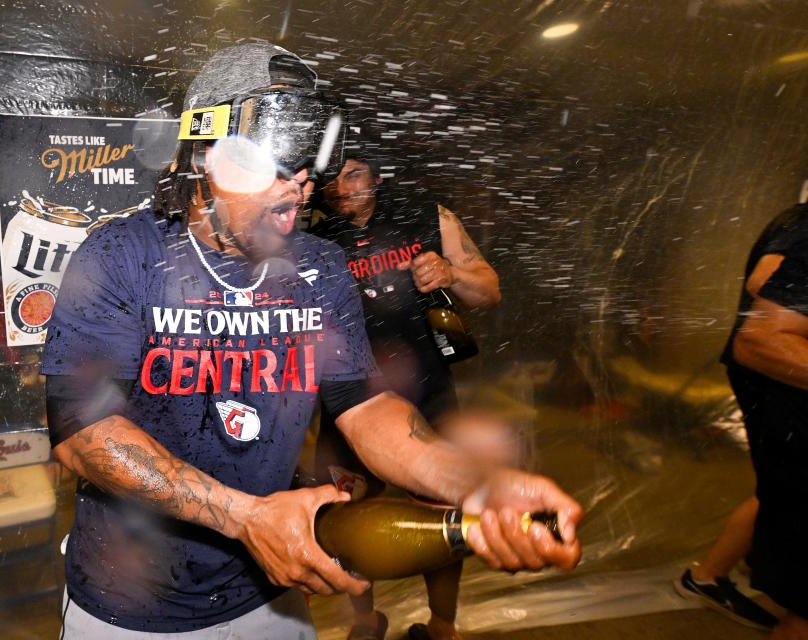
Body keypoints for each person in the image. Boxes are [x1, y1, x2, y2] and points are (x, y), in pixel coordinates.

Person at [42, 41, 583, 639]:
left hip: (271, 597)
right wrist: (246, 519)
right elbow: (80, 435)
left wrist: (476, 484)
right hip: (131, 605)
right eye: (273, 162)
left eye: (307, 167)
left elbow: (365, 406)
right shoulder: (122, 257)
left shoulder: (320, 268)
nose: (298, 188)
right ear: (204, 153)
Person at [309, 135, 501, 640]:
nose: (341, 188)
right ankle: (364, 621)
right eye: (332, 178)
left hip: (427, 388)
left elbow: (489, 290)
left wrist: (451, 271)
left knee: (441, 512)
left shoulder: (427, 216)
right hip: (348, 394)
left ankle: (442, 626)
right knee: (343, 510)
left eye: (353, 174)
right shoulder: (316, 234)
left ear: (377, 175)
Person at [676, 202, 808, 639]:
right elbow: (760, 335)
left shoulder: (796, 219)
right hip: (782, 389)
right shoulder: (803, 227)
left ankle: (708, 575)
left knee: (776, 492)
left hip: (776, 386)